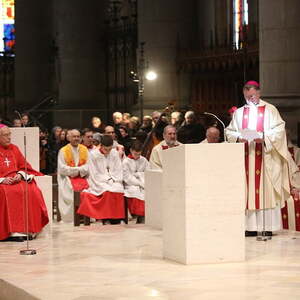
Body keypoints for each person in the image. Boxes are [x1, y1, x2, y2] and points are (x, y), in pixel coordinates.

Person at [225, 80, 292, 236]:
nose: (251, 99)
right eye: (248, 97)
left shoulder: (270, 110)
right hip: (246, 158)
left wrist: (264, 137)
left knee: (266, 192)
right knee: (247, 193)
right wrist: (238, 137)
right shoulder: (239, 113)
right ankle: (250, 227)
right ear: (244, 95)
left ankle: (267, 226)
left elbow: (280, 131)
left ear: (259, 93)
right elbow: (229, 132)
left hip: (266, 159)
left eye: (253, 95)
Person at [0, 124, 49, 241]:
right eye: (5, 135)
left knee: (31, 190)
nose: (9, 138)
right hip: (2, 182)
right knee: (4, 192)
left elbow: (24, 166)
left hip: (15, 180)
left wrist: (20, 175)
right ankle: (8, 233)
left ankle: (28, 230)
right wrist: (2, 180)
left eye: (9, 134)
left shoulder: (14, 148)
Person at [78, 135, 125, 224]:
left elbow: (118, 169)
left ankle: (117, 219)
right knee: (107, 191)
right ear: (101, 146)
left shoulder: (114, 153)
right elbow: (93, 172)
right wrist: (107, 180)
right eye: (105, 149)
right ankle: (106, 218)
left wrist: (113, 180)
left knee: (118, 189)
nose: (107, 152)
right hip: (98, 181)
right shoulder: (93, 154)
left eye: (109, 149)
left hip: (114, 179)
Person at [57, 129, 89, 222]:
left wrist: (78, 171)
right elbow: (62, 168)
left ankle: (86, 216)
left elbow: (88, 165)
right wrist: (77, 170)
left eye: (78, 136)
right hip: (67, 177)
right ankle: (73, 217)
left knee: (89, 189)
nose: (76, 138)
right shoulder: (63, 151)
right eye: (74, 136)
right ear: (68, 138)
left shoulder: (84, 149)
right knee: (69, 190)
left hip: (82, 176)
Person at [123, 141, 149, 224]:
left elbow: (148, 172)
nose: (137, 156)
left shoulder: (143, 160)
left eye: (139, 154)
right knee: (135, 193)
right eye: (135, 154)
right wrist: (139, 182)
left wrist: (139, 175)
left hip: (143, 183)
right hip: (131, 185)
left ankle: (143, 218)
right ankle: (139, 217)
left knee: (148, 194)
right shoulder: (126, 162)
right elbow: (127, 177)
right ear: (131, 150)